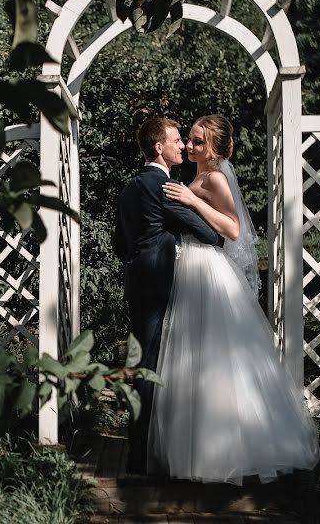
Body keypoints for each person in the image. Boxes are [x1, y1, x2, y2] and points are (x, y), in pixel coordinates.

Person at [150, 114, 320, 484]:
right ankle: (199, 451)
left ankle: (227, 452)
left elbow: (232, 228)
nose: (190, 146)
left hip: (208, 269)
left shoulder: (215, 177)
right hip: (192, 265)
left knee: (215, 358)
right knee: (194, 359)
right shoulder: (203, 175)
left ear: (212, 149)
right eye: (190, 140)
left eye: (197, 141)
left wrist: (193, 202)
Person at [112, 116, 224, 475]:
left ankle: (145, 448)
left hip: (137, 281)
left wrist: (140, 252)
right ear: (159, 147)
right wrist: (199, 212)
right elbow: (208, 233)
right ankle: (139, 457)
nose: (181, 146)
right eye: (176, 140)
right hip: (158, 283)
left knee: (144, 362)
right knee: (148, 366)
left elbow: (118, 241)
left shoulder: (130, 188)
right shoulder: (162, 186)